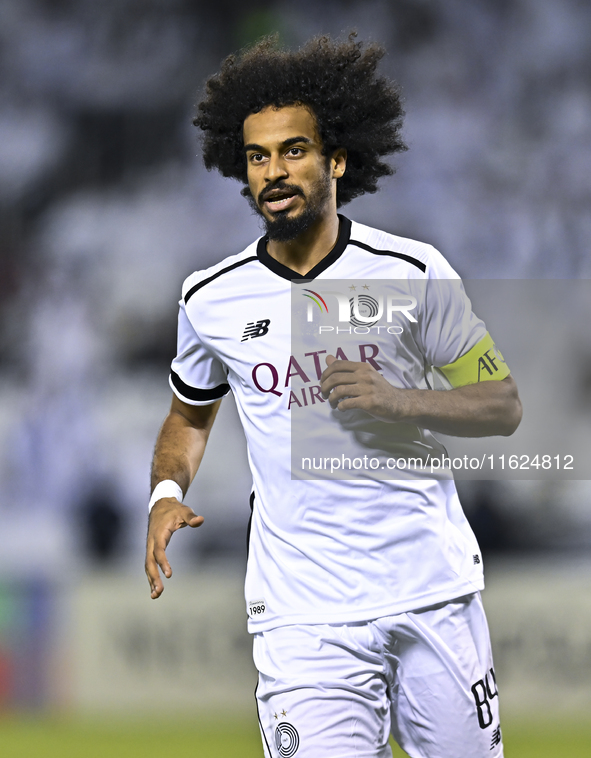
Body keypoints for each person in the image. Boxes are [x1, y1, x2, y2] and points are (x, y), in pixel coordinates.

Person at [145, 34, 522, 758]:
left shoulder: (412, 269)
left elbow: (500, 404)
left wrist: (399, 401)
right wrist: (165, 489)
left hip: (428, 590)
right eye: (258, 156)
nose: (274, 172)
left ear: (336, 160)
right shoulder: (210, 298)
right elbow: (188, 415)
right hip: (301, 616)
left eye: (293, 150)